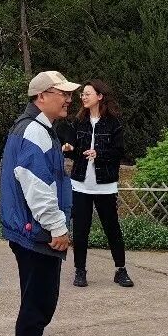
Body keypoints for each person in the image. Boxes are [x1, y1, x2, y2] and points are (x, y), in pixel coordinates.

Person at [0, 70, 79, 336]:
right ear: (42, 96)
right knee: (38, 302)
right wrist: (57, 227)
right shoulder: (34, 131)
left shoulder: (39, 128)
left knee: (38, 300)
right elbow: (37, 187)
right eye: (63, 93)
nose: (69, 99)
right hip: (36, 231)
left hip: (31, 229)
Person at [61, 79, 132, 288]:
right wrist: (68, 148)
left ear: (100, 96)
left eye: (87, 94)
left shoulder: (114, 123)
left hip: (105, 185)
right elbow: (74, 150)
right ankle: (80, 271)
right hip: (80, 185)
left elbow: (119, 152)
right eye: (82, 94)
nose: (83, 97)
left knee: (112, 229)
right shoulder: (78, 122)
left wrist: (98, 154)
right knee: (80, 230)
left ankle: (121, 270)